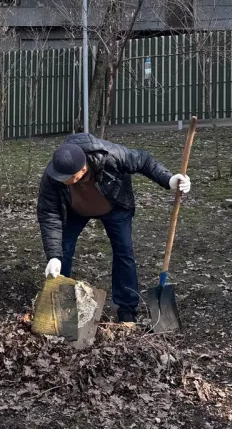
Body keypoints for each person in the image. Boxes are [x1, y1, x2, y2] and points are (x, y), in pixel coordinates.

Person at [36, 134, 191, 324]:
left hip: (115, 205)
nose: (60, 180)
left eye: (66, 178)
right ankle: (60, 308)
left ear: (82, 169)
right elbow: (48, 213)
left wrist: (168, 180)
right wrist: (53, 255)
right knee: (63, 250)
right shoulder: (54, 174)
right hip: (75, 210)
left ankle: (127, 310)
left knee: (124, 253)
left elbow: (144, 160)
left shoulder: (110, 156)